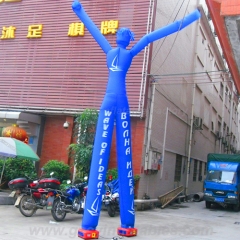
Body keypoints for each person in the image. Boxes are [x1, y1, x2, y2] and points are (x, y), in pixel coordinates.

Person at [72, 1, 201, 237]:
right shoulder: (125, 52)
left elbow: (150, 35)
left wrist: (80, 12)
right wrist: (80, 12)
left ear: (126, 38)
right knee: (112, 157)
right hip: (118, 102)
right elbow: (151, 36)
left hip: (114, 102)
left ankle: (106, 224)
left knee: (116, 157)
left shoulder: (114, 51)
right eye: (120, 32)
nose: (120, 34)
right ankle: (110, 224)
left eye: (123, 33)